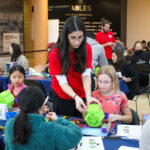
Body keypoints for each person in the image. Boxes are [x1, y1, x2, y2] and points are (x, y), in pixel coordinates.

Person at [49, 16, 99, 117]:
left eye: (80, 37)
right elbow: (63, 83)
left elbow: (86, 75)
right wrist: (75, 96)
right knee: (65, 126)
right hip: (62, 96)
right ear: (66, 36)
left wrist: (88, 95)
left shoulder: (86, 48)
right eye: (72, 38)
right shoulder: (55, 53)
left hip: (82, 93)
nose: (77, 42)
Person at [4, 86, 82, 150]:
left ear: (19, 107)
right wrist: (58, 120)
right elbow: (76, 134)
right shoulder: (51, 129)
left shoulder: (9, 125)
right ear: (42, 106)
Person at [92, 65, 132, 129]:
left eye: (106, 82)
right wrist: (84, 112)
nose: (102, 85)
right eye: (100, 81)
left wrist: (117, 117)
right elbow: (85, 116)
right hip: (95, 128)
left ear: (113, 81)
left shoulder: (120, 96)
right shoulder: (93, 95)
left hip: (113, 130)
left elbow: (129, 118)